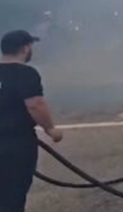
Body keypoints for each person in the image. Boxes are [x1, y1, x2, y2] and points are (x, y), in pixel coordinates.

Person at [0, 30, 63, 212]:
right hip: (15, 145)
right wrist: (51, 129)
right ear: (25, 48)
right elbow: (35, 105)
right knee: (12, 197)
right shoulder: (25, 74)